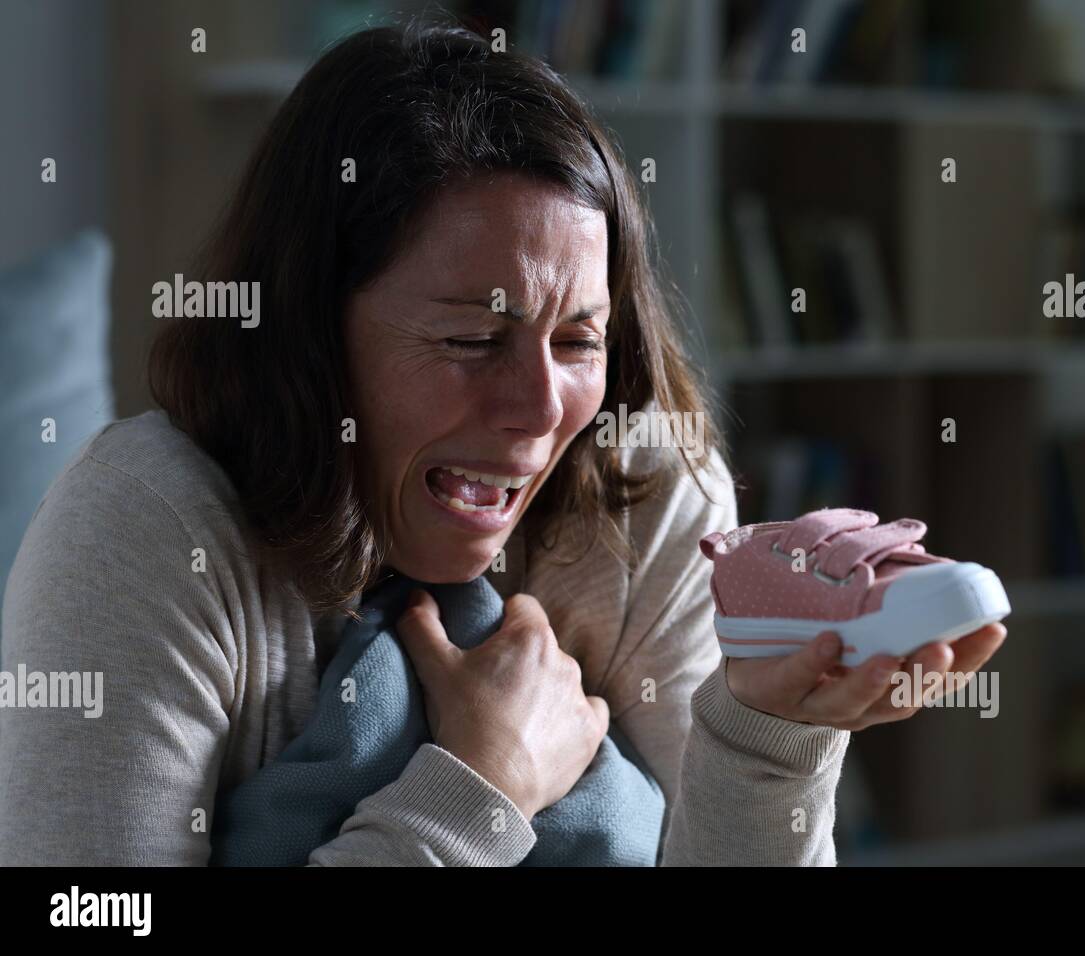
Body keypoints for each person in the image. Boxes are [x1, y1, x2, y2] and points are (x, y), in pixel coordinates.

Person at [0, 20, 1005, 866]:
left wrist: (769, 733)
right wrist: (481, 784)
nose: (537, 410)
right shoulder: (143, 522)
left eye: (577, 339)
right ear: (308, 335)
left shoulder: (640, 487)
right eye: (471, 338)